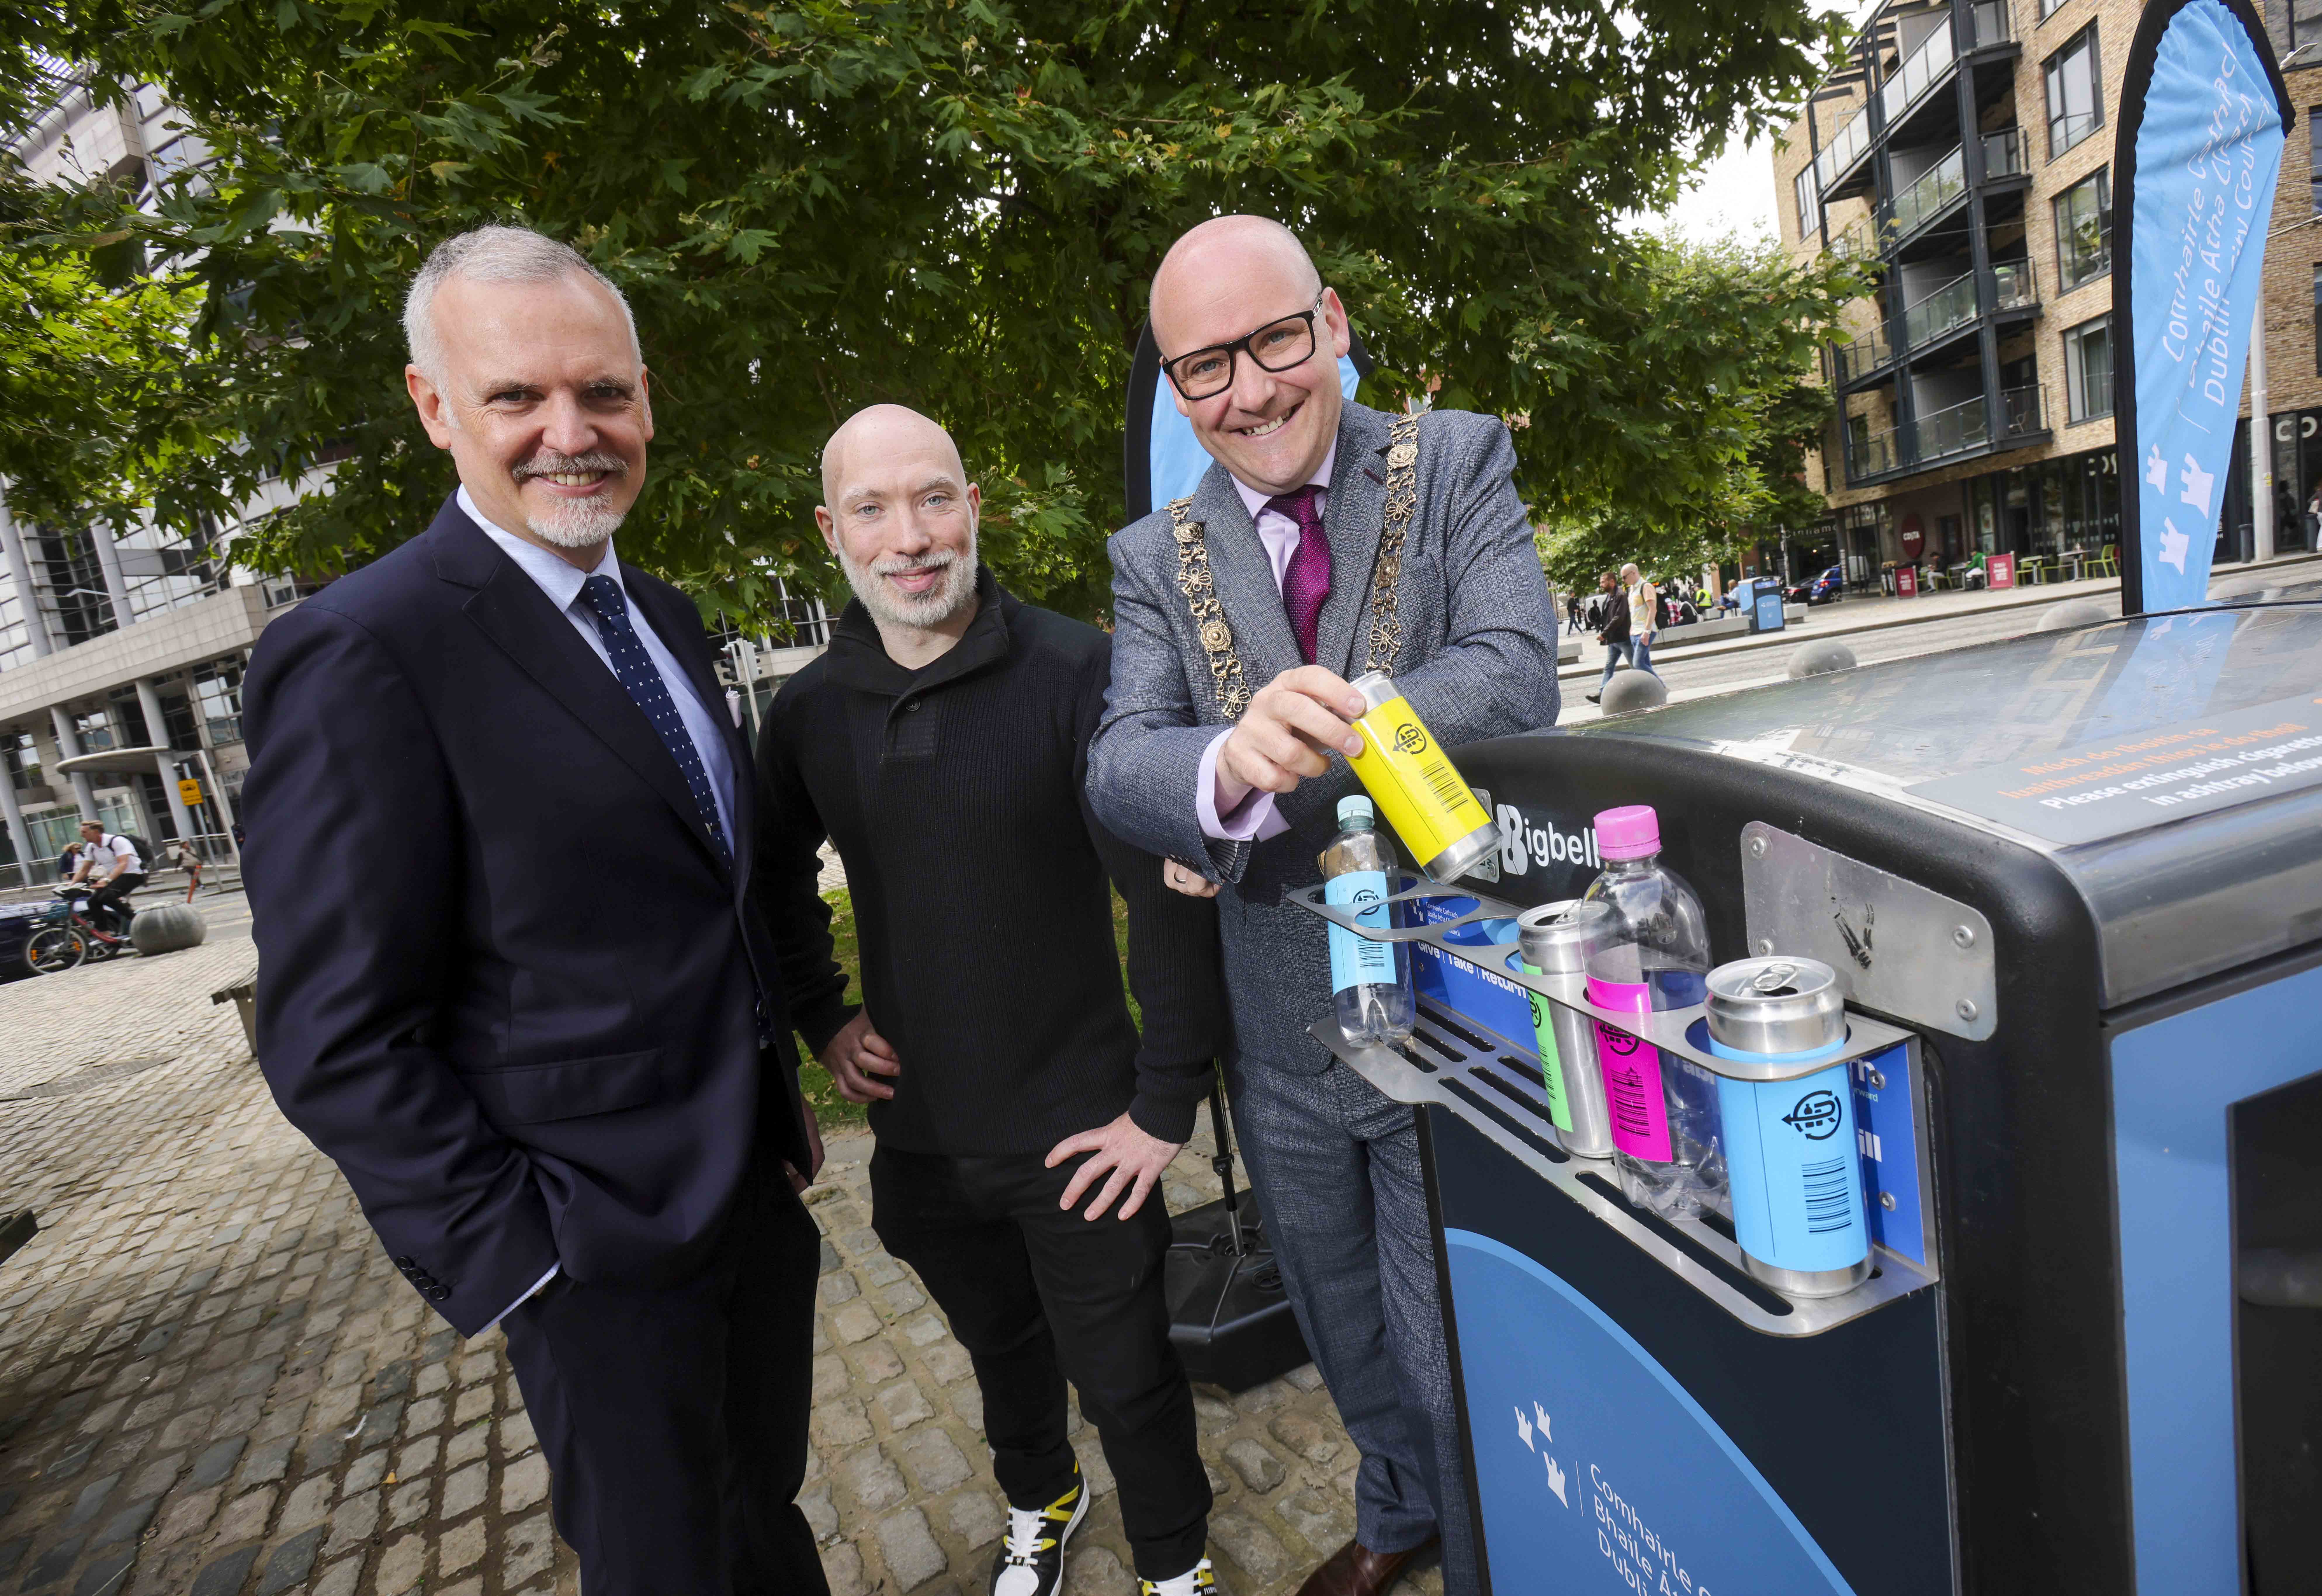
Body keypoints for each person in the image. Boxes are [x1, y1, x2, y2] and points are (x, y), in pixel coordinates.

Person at [240, 225, 830, 1596]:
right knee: (667, 1565)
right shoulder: (362, 652)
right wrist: (522, 1263)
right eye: (518, 397)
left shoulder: (668, 617)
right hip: (591, 1256)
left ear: (645, 397)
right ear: (435, 407)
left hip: (749, 1196)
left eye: (605, 393)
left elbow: (706, 890)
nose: (573, 432)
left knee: (765, 1518)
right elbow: (332, 1032)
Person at [1087, 214, 1558, 1596]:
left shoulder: (1454, 456)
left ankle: (1484, 1561)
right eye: (1203, 368)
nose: (1248, 390)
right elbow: (1122, 761)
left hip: (1452, 1009)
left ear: (1333, 324)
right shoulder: (1149, 558)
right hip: (1280, 1030)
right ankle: (1396, 1512)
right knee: (1344, 1327)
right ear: (1175, 388)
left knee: (1440, 1345)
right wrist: (1221, 763)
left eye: (1275, 340)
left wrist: (1324, 738)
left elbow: (1514, 672)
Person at [755, 405, 1224, 1596]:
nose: (907, 536)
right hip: (920, 1141)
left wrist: (1163, 1104)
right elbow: (766, 886)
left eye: (931, 499)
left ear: (972, 507)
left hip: (1082, 1131)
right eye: (872, 508)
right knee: (1000, 1353)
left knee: (1126, 1376)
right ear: (832, 531)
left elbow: (1166, 900)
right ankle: (1040, 1499)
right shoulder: (807, 712)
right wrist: (819, 1013)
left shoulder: (1079, 670)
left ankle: (1175, 1567)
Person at [71, 821, 145, 935]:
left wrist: (106, 881)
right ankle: (105, 933)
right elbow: (84, 870)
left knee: (107, 897)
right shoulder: (92, 847)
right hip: (116, 877)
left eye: (84, 832)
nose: (82, 835)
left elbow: (123, 864)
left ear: (96, 832)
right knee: (93, 902)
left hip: (134, 874)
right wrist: (71, 886)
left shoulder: (117, 841)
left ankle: (139, 921)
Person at [1595, 572, 1632, 689]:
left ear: (1612, 582)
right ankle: (1603, 693)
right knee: (1609, 667)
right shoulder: (1609, 597)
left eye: (1603, 582)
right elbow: (1608, 617)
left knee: (1636, 666)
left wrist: (1604, 633)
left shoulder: (1621, 595)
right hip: (1613, 640)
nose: (1601, 585)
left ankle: (1651, 688)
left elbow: (1618, 617)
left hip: (1623, 639)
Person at [1621, 561, 1659, 675]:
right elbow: (1635, 612)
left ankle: (1661, 688)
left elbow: (1653, 610)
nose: (1623, 580)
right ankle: (1652, 692)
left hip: (1645, 631)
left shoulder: (1646, 587)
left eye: (1625, 577)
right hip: (1635, 632)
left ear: (1633, 573)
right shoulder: (1632, 590)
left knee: (1638, 664)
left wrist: (1647, 632)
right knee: (1645, 664)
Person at [160, 836, 204, 903]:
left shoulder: (193, 849)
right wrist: (176, 868)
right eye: (186, 844)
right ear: (183, 846)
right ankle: (201, 885)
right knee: (195, 874)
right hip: (187, 866)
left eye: (188, 844)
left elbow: (197, 856)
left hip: (196, 864)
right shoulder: (182, 852)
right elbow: (179, 861)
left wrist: (201, 862)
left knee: (194, 876)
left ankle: (193, 887)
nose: (188, 845)